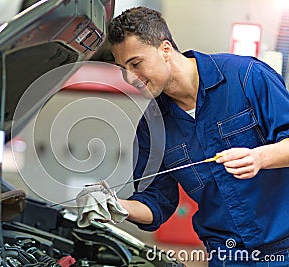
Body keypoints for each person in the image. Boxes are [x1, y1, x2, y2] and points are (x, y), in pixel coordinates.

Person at [107, 6, 289, 266]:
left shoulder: (247, 77)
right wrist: (115, 206)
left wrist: (260, 157)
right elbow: (156, 202)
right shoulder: (152, 126)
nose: (130, 77)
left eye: (136, 64)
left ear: (165, 50)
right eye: (122, 68)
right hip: (226, 255)